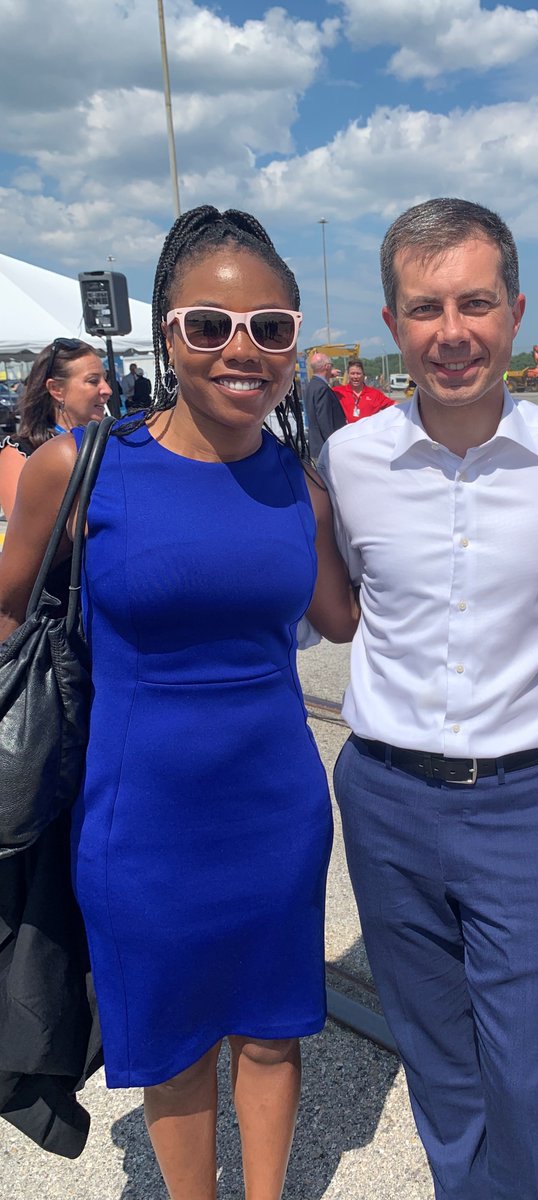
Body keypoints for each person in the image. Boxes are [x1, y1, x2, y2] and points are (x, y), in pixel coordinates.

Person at [0, 205, 357, 1200]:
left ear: (292, 343)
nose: (242, 350)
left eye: (270, 328)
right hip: (138, 816)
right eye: (211, 326)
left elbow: (343, 616)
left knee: (275, 1032)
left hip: (275, 808)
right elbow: (5, 606)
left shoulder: (300, 485)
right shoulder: (82, 465)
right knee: (174, 1046)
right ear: (166, 336)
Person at [317, 197, 538, 1200]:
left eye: (474, 303)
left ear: (512, 312)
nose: (451, 333)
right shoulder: (350, 462)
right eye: (424, 309)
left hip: (523, 805)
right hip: (384, 798)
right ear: (392, 328)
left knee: (522, 1064)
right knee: (440, 1062)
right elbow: (324, 604)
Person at [0, 337, 112, 520]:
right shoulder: (20, 452)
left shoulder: (110, 442)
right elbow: (24, 535)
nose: (107, 390)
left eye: (105, 379)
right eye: (93, 381)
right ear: (56, 389)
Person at [303, 350, 346, 459]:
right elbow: (325, 421)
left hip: (316, 445)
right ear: (327, 366)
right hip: (326, 448)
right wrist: (334, 444)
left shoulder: (311, 385)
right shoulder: (322, 388)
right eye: (331, 366)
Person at [333, 357, 393, 422]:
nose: (355, 377)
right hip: (346, 431)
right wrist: (329, 374)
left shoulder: (375, 394)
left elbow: (394, 406)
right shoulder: (338, 392)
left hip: (368, 431)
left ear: (363, 375)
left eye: (358, 373)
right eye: (352, 373)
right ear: (348, 375)